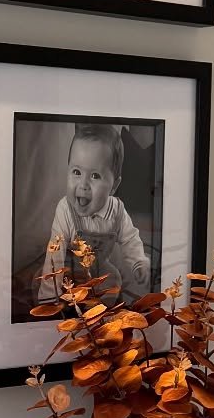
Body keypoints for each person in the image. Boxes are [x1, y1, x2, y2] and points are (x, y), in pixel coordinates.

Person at [39, 123, 150, 306]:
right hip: (69, 271)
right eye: (76, 172)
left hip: (100, 270)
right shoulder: (65, 209)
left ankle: (101, 315)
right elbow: (55, 252)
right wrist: (49, 298)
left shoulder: (117, 211)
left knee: (114, 281)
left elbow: (131, 239)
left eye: (95, 176)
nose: (83, 184)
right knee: (50, 281)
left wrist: (138, 261)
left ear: (114, 186)